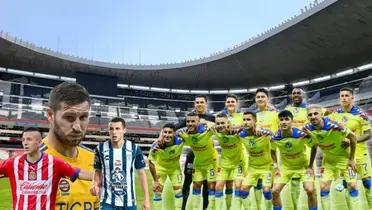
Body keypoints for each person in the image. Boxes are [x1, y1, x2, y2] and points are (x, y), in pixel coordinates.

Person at [0, 127, 92, 210]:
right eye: (23, 140)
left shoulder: (54, 163)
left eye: (29, 139)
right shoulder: (13, 163)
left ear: (40, 142)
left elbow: (79, 173)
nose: (25, 143)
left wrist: (104, 175)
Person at [40, 82, 99, 210]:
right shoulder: (34, 163)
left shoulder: (95, 159)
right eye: (69, 117)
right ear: (50, 115)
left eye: (83, 117)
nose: (77, 127)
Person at [304, 104, 360, 210]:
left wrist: (352, 158)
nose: (313, 116)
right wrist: (310, 165)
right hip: (329, 161)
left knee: (352, 185)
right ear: (308, 117)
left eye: (316, 113)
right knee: (323, 187)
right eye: (310, 115)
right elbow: (313, 146)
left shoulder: (335, 126)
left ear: (322, 114)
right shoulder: (307, 129)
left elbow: (353, 137)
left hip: (345, 159)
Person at [92, 117, 150, 210]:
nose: (114, 132)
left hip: (129, 202)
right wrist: (95, 184)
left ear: (124, 130)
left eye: (117, 128)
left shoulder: (134, 148)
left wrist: (146, 199)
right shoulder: (100, 149)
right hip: (107, 201)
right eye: (111, 129)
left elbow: (142, 174)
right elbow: (97, 171)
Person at [328, 87, 372, 208]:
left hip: (361, 154)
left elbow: (368, 134)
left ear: (353, 97)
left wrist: (352, 140)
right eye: (342, 96)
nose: (344, 98)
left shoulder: (361, 115)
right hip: (345, 156)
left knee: (368, 183)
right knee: (350, 185)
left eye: (347, 95)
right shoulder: (334, 114)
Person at [271, 110, 317, 210]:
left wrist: (310, 166)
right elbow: (272, 150)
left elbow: (314, 146)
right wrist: (276, 167)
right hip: (286, 168)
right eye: (281, 120)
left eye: (286, 119)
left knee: (310, 190)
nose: (284, 122)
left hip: (303, 167)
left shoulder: (301, 135)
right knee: (274, 191)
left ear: (292, 121)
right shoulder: (275, 138)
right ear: (279, 122)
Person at [177, 95, 215, 210]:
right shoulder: (189, 118)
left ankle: (205, 207)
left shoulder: (211, 117)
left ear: (206, 104)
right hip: (192, 155)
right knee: (188, 181)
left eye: (201, 102)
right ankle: (183, 206)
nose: (199, 104)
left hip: (207, 155)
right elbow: (174, 127)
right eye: (197, 102)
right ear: (194, 104)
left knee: (206, 185)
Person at [211, 113, 247, 210]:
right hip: (224, 164)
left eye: (223, 123)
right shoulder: (215, 130)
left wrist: (235, 126)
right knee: (218, 187)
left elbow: (246, 126)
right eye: (218, 123)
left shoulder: (236, 132)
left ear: (228, 123)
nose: (220, 125)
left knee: (238, 186)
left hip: (238, 163)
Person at [239, 111, 273, 210]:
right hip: (252, 168)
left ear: (255, 121)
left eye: (249, 119)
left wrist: (260, 127)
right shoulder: (242, 135)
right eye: (244, 120)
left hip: (267, 167)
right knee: (243, 189)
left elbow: (271, 133)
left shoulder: (263, 133)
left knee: (266, 191)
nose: (246, 122)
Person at [148, 123, 184, 210]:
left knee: (178, 192)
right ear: (162, 133)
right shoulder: (156, 145)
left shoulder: (180, 141)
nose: (167, 135)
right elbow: (150, 162)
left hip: (175, 169)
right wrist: (156, 181)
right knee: (157, 192)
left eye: (170, 132)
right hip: (160, 169)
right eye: (165, 132)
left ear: (174, 133)